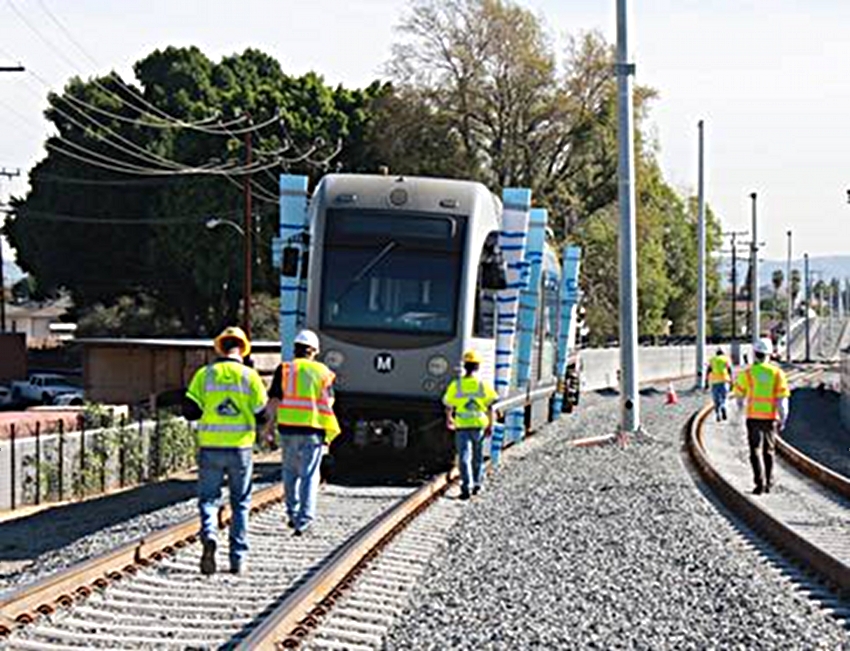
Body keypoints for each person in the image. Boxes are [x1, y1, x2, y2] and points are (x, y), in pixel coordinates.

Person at [183, 326, 268, 575]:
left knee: (209, 499)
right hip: (240, 448)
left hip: (210, 446)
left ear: (220, 348)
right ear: (243, 349)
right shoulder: (250, 376)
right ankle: (238, 559)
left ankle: (210, 533)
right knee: (240, 503)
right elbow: (262, 415)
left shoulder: (205, 374)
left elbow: (190, 411)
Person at [267, 329, 340, 536]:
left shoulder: (284, 369)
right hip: (313, 429)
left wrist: (268, 428)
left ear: (295, 349)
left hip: (288, 429)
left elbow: (274, 401)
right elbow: (330, 401)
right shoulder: (323, 372)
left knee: (289, 472)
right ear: (314, 351)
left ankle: (292, 513)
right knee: (309, 475)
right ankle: (304, 520)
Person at [732, 337, 790, 495]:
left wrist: (740, 409)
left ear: (755, 354)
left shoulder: (748, 373)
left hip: (753, 418)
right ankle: (769, 483)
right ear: (769, 354)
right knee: (769, 451)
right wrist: (783, 418)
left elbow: (739, 395)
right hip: (770, 418)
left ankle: (759, 484)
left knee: (755, 451)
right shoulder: (777, 374)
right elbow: (782, 401)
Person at [442, 350, 498, 500]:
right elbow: (490, 406)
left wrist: (449, 419)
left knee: (464, 457)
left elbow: (448, 404)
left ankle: (466, 486)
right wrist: (490, 425)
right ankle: (477, 483)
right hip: (479, 426)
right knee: (478, 457)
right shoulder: (482, 385)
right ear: (477, 367)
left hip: (462, 426)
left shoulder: (456, 385)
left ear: (464, 366)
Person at [705, 347, 733, 422]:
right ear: (723, 353)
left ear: (716, 353)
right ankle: (723, 407)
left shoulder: (712, 360)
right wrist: (731, 382)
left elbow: (708, 371)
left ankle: (717, 414)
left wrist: (706, 382)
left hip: (714, 382)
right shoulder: (726, 359)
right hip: (724, 381)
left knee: (716, 400)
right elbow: (729, 371)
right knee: (724, 397)